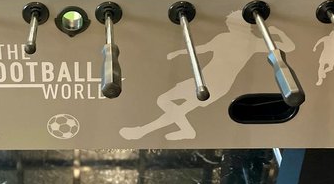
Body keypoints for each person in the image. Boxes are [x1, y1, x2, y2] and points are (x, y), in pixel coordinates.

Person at [120, 10, 295, 141]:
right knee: (165, 101)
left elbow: (288, 47)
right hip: (202, 79)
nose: (229, 25)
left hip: (216, 85)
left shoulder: (252, 42)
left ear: (243, 25)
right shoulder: (224, 37)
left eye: (232, 23)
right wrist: (177, 53)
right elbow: (202, 49)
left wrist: (279, 33)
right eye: (229, 23)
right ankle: (182, 130)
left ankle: (142, 131)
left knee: (177, 106)